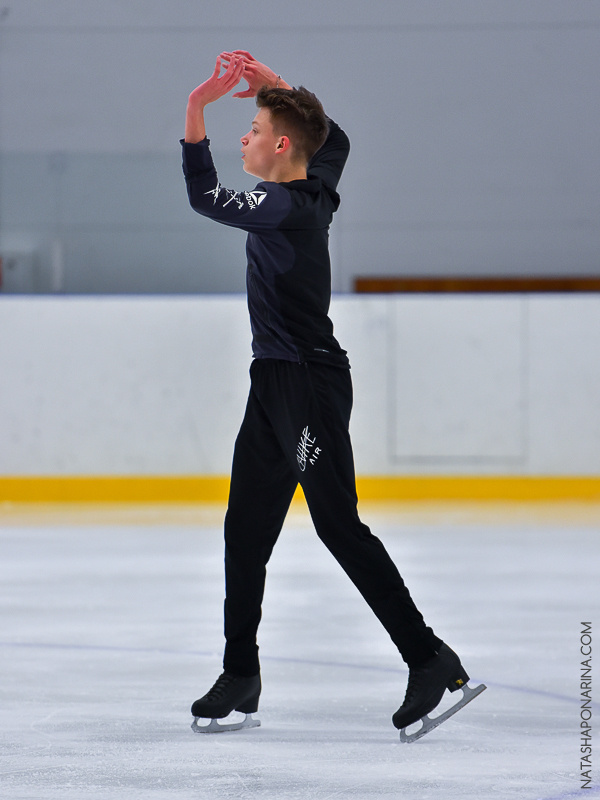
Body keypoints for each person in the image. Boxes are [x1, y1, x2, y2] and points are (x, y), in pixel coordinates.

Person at [181, 51, 482, 737]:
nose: (244, 139)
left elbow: (204, 196)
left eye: (253, 129)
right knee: (245, 528)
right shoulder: (317, 180)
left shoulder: (283, 204)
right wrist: (272, 84)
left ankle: (430, 657)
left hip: (309, 385)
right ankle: (240, 671)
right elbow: (334, 137)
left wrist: (198, 104)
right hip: (272, 381)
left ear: (280, 146)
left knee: (337, 524)